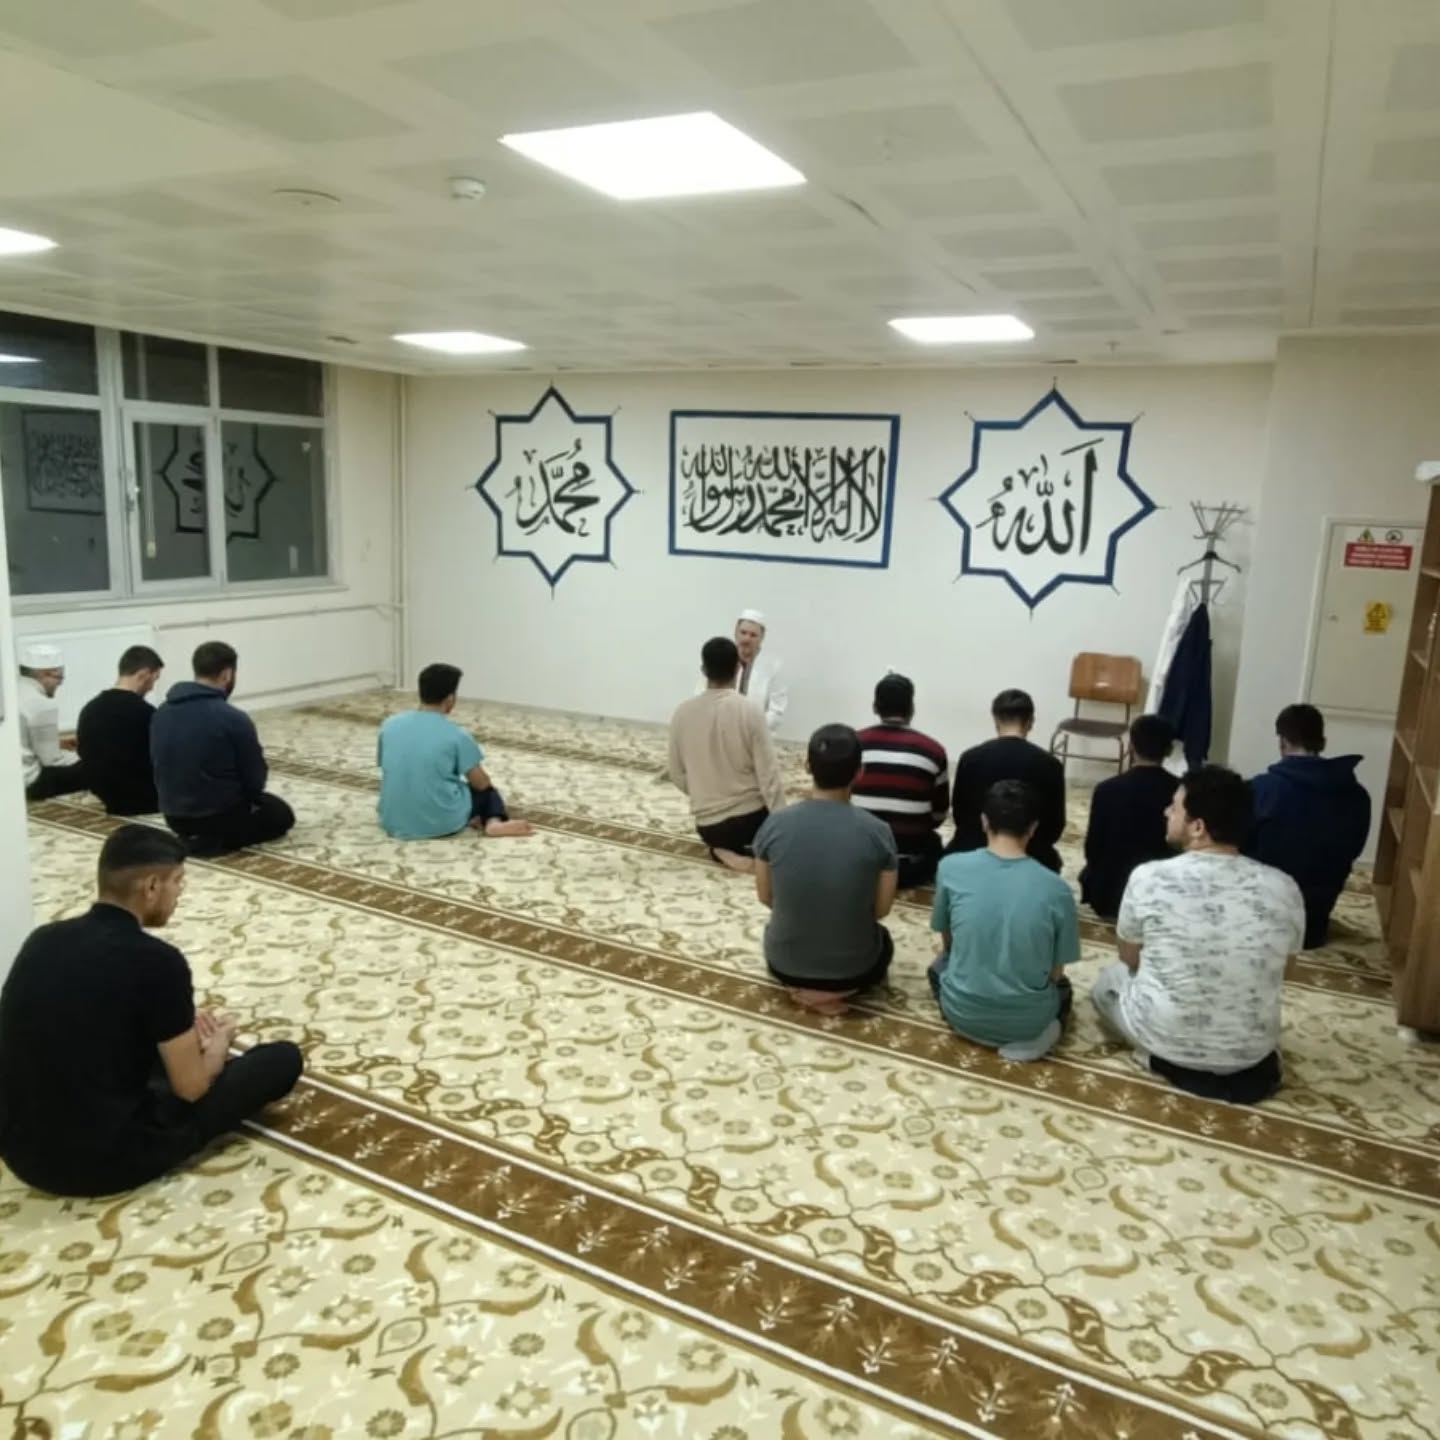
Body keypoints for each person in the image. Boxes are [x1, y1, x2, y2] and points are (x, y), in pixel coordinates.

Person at [0, 825, 303, 1196]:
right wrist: (217, 1047)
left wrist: (176, 1028)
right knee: (280, 1060)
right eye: (178, 882)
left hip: (20, 1153)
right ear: (152, 887)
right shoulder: (158, 961)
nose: (180, 893)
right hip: (103, 1162)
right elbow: (191, 1089)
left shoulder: (43, 939)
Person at [1092, 765, 1304, 1104]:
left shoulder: (1149, 877)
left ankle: (1162, 1054)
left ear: (1197, 827)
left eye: (1175, 807)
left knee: (1108, 981)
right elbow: (1286, 971)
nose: (1166, 812)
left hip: (1165, 1038)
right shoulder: (1285, 887)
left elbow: (1130, 957)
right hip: (1253, 1050)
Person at [930, 781, 1080, 1062]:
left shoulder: (950, 867)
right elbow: (1056, 972)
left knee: (938, 967)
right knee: (1064, 991)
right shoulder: (1056, 889)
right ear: (1033, 827)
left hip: (960, 1013)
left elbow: (949, 943)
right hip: (1028, 1023)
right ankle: (1044, 1036)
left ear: (984, 821)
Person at [754, 724, 898, 1015]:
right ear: (859, 772)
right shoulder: (879, 832)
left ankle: (807, 992)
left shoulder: (775, 824)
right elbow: (881, 910)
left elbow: (766, 897)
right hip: (855, 970)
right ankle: (835, 994)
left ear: (807, 766)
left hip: (784, 964)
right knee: (884, 943)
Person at [150, 641, 295, 856]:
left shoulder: (161, 712)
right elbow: (254, 778)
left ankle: (200, 836)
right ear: (227, 674)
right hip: (219, 817)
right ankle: (213, 840)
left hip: (174, 817)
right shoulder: (232, 718)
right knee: (280, 813)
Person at [1246, 703, 1370, 949]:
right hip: (1315, 921)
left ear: (1283, 742)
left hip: (1260, 920)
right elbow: (1354, 849)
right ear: (1322, 742)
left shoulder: (1261, 789)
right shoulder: (1357, 795)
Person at [669, 636, 787, 871]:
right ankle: (756, 850)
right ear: (737, 668)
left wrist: (704, 793)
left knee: (720, 834)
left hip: (709, 826)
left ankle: (721, 849)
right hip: (752, 820)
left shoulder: (682, 713)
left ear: (704, 670)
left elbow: (676, 774)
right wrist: (784, 825)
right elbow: (769, 776)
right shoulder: (749, 710)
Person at [378, 663, 534, 840]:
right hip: (441, 822)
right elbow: (481, 784)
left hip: (392, 819)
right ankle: (493, 822)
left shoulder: (389, 725)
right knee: (488, 793)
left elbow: (387, 767)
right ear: (450, 699)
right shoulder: (456, 735)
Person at [947, 689, 1066, 871]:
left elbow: (960, 817)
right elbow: (1054, 828)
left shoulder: (970, 758)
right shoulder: (1050, 765)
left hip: (973, 848)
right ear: (1031, 722)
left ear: (995, 720)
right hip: (1031, 854)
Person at [852, 673, 949, 888]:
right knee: (935, 844)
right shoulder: (933, 751)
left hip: (856, 861)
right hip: (908, 866)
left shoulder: (853, 744)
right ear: (911, 708)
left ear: (875, 707)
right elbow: (938, 816)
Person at [1079, 714, 1179, 921]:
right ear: (1169, 749)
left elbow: (1093, 848)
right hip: (1159, 893)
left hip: (1110, 895)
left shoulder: (1107, 789)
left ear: (1131, 746)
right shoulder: (1180, 791)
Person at [76, 644, 165, 815]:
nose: (152, 687)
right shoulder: (145, 713)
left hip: (104, 792)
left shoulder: (90, 708)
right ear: (144, 674)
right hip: (143, 797)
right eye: (154, 679)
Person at [18, 642, 89, 801]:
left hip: (9, 775)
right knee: (98, 766)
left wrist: (57, 744)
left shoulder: (12, 690)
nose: (60, 684)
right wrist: (82, 755)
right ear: (46, 674)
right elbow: (52, 760)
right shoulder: (40, 703)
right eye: (59, 678)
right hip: (30, 782)